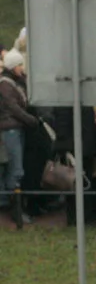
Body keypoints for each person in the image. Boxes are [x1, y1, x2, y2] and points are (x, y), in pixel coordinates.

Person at [0, 49, 36, 214]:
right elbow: (14, 107)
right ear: (13, 66)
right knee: (15, 168)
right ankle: (13, 208)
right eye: (19, 64)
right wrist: (31, 120)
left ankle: (10, 203)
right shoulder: (6, 85)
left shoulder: (14, 82)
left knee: (14, 166)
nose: (22, 67)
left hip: (15, 127)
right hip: (10, 129)